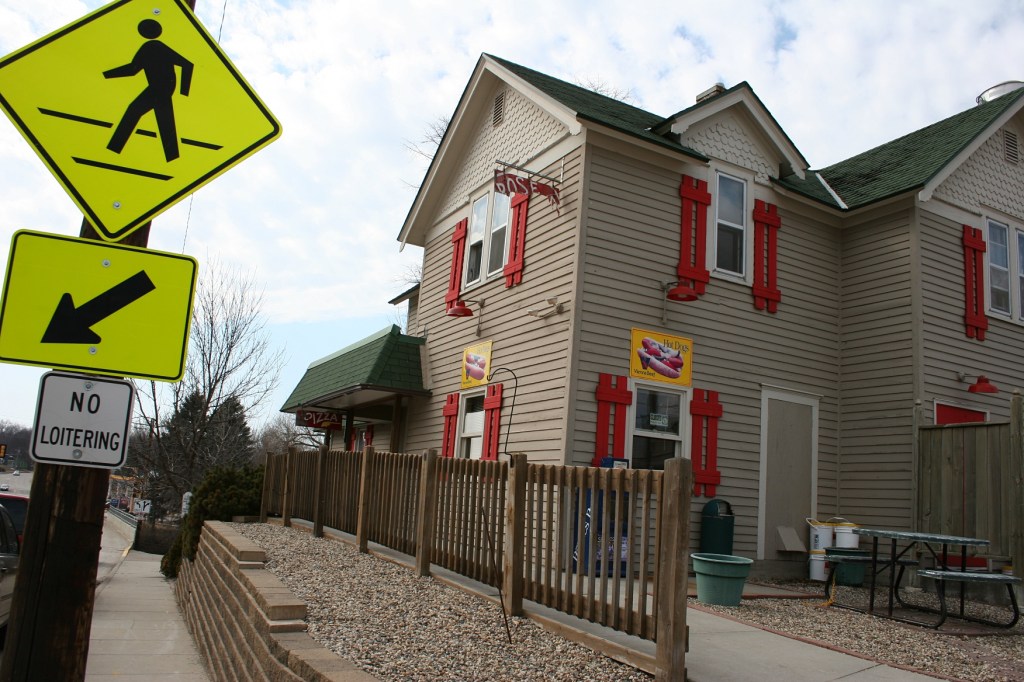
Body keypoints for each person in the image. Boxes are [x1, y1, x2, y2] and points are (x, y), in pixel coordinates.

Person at [104, 18, 193, 162]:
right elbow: (133, 69)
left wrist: (185, 92)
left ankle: (113, 149)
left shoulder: (156, 47)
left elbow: (187, 65)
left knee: (134, 111)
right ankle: (173, 158)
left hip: (161, 88)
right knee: (164, 121)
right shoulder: (149, 47)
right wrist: (106, 75)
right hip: (160, 88)